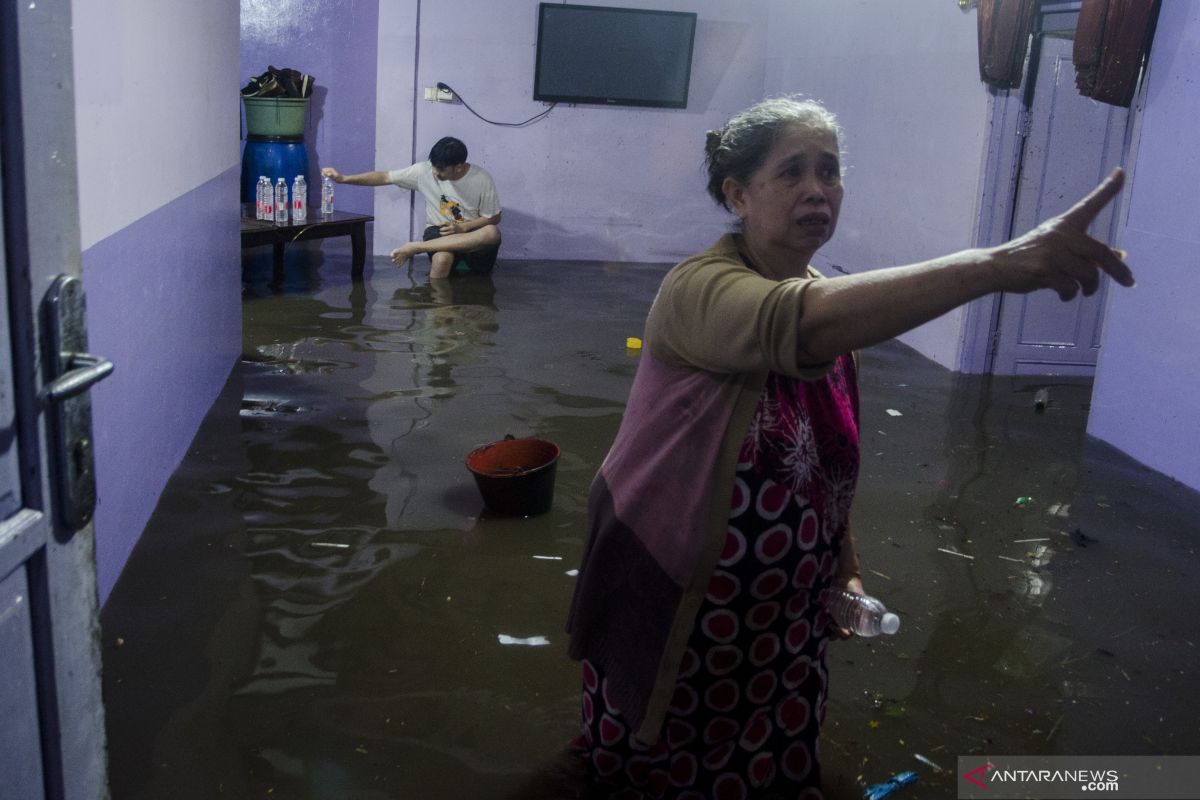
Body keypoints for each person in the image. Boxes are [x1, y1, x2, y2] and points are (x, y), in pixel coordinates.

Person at [565, 96, 1134, 800]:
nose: (817, 190)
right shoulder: (698, 290)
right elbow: (795, 326)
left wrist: (847, 567)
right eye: (793, 172)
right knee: (659, 758)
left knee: (771, 756)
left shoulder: (828, 303)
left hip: (786, 611)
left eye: (829, 172)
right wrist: (997, 264)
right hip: (674, 588)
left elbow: (829, 462)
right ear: (737, 194)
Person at [321, 136, 501, 278]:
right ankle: (437, 314)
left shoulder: (481, 179)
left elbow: (494, 217)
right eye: (434, 166)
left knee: (492, 232)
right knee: (441, 259)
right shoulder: (424, 171)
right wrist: (343, 179)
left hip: (471, 235)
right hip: (439, 231)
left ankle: (416, 247)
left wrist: (463, 227)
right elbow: (384, 177)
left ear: (459, 167)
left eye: (441, 169)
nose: (435, 172)